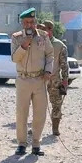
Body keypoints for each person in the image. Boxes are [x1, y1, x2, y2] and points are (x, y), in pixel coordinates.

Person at [10, 8, 54, 155]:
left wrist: (48, 70)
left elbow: (50, 54)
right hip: (23, 79)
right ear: (22, 23)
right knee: (21, 113)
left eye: (31, 22)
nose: (29, 25)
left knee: (40, 113)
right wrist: (24, 45)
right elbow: (14, 58)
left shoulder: (43, 36)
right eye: (26, 22)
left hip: (39, 79)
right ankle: (22, 144)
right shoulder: (16, 37)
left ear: (35, 22)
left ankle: (36, 144)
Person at [39, 20, 68, 137]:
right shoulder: (37, 43)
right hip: (39, 80)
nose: (41, 31)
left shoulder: (59, 45)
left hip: (54, 79)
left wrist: (65, 80)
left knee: (56, 104)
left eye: (44, 29)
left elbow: (64, 64)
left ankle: (55, 128)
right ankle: (37, 127)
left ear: (50, 30)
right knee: (38, 105)